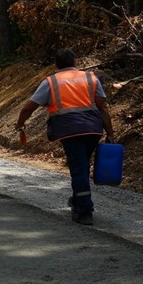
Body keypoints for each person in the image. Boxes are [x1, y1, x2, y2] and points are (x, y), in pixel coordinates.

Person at [15, 48, 116, 226]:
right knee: (81, 167)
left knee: (78, 169)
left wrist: (20, 124)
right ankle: (78, 200)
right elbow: (103, 108)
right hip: (93, 130)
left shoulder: (51, 82)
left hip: (70, 131)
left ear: (56, 64)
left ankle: (85, 211)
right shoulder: (91, 78)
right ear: (74, 62)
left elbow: (28, 108)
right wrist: (110, 133)